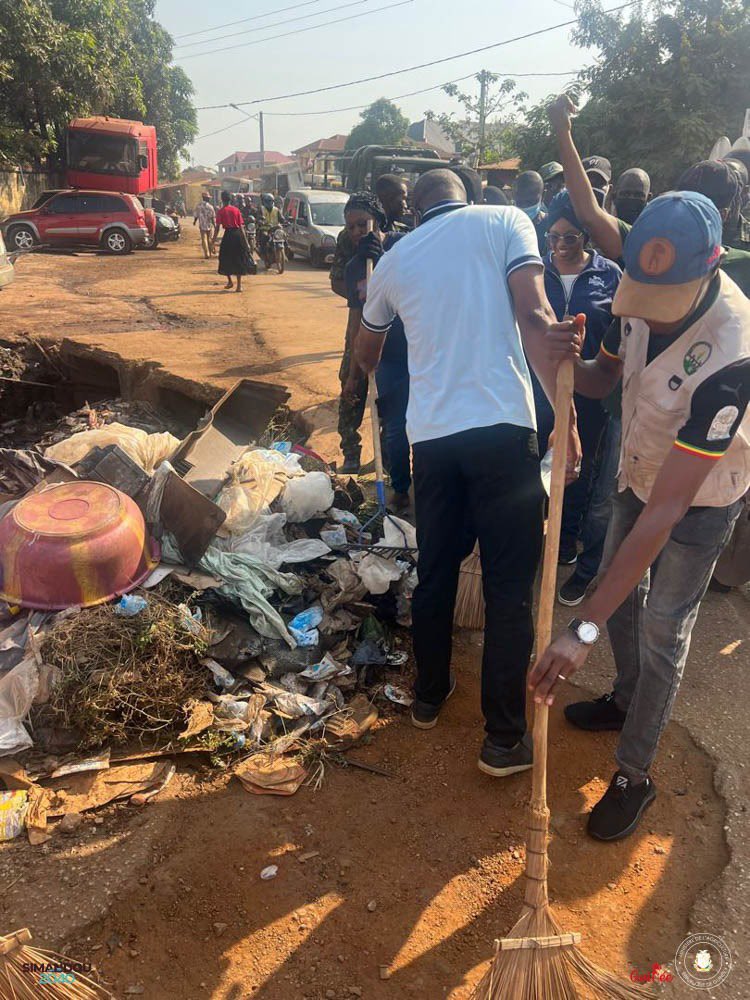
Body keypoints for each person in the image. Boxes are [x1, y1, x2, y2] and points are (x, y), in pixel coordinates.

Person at [529, 191, 750, 842]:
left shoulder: (734, 354)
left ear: (709, 267)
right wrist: (567, 356)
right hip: (638, 471)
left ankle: (634, 772)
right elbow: (603, 378)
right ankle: (624, 696)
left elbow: (671, 509)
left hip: (701, 500)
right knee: (620, 601)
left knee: (661, 628)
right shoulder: (637, 292)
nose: (648, 314)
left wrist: (580, 630)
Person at [354, 168, 582, 776]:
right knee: (510, 588)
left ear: (414, 204)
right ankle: (503, 739)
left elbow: (366, 352)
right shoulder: (505, 221)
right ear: (466, 196)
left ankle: (429, 696)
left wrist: (388, 325)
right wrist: (567, 416)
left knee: (435, 572)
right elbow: (535, 318)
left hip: (433, 443)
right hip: (503, 432)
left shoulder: (397, 256)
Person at [533, 191, 622, 579]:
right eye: (553, 237)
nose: (561, 246)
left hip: (588, 392)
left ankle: (566, 539)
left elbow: (621, 332)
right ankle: (535, 538)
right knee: (534, 464)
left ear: (586, 235)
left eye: (570, 237)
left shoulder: (610, 274)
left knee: (576, 468)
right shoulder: (534, 273)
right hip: (538, 389)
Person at [344, 211, 411, 509]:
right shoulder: (354, 266)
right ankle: (400, 487)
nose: (358, 231)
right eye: (351, 226)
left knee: (427, 424)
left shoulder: (403, 245)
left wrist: (384, 258)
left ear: (379, 221)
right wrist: (353, 373)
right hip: (388, 358)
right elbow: (355, 322)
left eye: (363, 224)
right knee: (395, 427)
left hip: (422, 350)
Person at [330, 175, 409, 299]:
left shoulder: (404, 235)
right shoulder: (348, 237)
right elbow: (337, 282)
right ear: (387, 200)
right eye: (402, 199)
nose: (405, 205)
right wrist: (363, 299)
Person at [213, 190, 253, 292]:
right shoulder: (236, 210)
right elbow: (241, 228)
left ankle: (230, 281)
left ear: (222, 199)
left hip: (228, 237)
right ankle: (239, 286)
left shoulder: (221, 211)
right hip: (238, 236)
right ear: (230, 199)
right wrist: (247, 243)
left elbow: (217, 228)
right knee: (238, 259)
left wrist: (212, 241)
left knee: (224, 258)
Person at [513, 170, 549, 253]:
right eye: (520, 202)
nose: (525, 207)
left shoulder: (552, 227)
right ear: (513, 195)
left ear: (543, 195)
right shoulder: (507, 226)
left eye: (530, 202)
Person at [193, 192, 216, 259]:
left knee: (204, 239)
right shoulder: (210, 206)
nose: (209, 199)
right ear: (206, 198)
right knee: (209, 239)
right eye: (208, 198)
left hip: (202, 224)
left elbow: (196, 215)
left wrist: (194, 221)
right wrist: (214, 225)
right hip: (209, 225)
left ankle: (207, 253)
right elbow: (212, 217)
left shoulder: (198, 205)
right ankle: (210, 252)